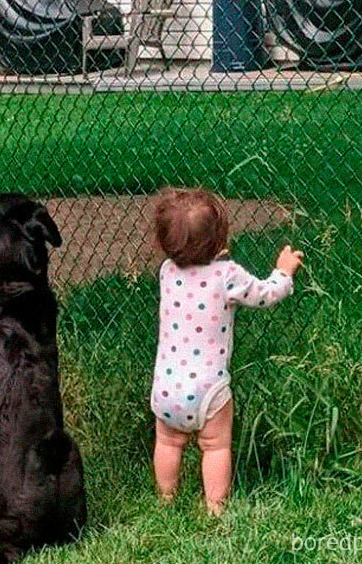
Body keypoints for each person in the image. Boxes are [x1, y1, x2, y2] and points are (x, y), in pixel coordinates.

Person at [150, 187, 303, 515]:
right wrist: (284, 271)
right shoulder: (227, 275)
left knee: (168, 442)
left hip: (166, 387)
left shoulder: (167, 272)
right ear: (220, 240)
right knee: (215, 446)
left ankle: (165, 499)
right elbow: (266, 294)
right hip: (209, 389)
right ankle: (215, 508)